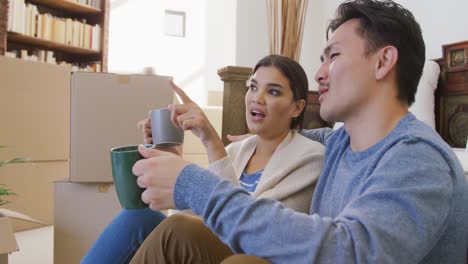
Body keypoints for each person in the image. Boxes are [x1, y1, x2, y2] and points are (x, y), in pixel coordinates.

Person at [129, 0, 468, 263]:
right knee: (175, 231)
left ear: (383, 62)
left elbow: (351, 253)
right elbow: (304, 138)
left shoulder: (419, 157)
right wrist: (262, 134)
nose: (319, 74)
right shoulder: (341, 143)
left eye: (333, 56)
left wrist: (193, 184)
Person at [81, 55, 325, 263]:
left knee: (174, 229)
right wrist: (168, 154)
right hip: (216, 243)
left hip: (252, 253)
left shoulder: (309, 158)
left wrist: (211, 141)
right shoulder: (240, 150)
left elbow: (246, 226)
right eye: (252, 87)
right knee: (139, 216)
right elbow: (197, 211)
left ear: (297, 107)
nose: (256, 98)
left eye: (273, 91)